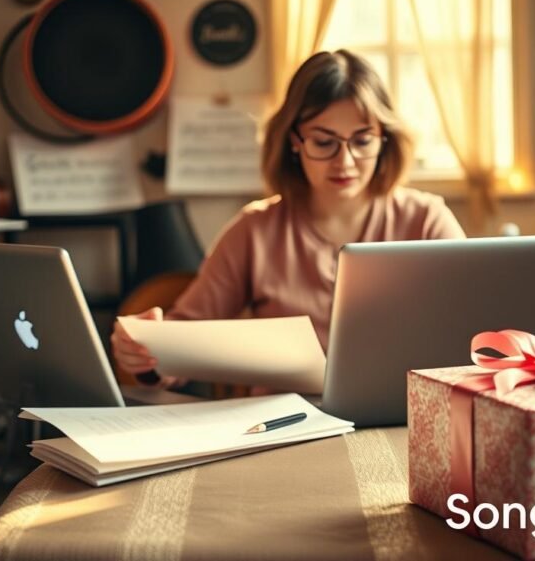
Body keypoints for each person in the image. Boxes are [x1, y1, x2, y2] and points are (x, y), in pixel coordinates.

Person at [111, 49, 466, 383]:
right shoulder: (254, 230)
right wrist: (146, 351)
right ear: (293, 140)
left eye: (362, 141)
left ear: (384, 139)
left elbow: (476, 329)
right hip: (286, 428)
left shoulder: (427, 220)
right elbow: (180, 347)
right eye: (324, 142)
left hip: (403, 418)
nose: (344, 162)